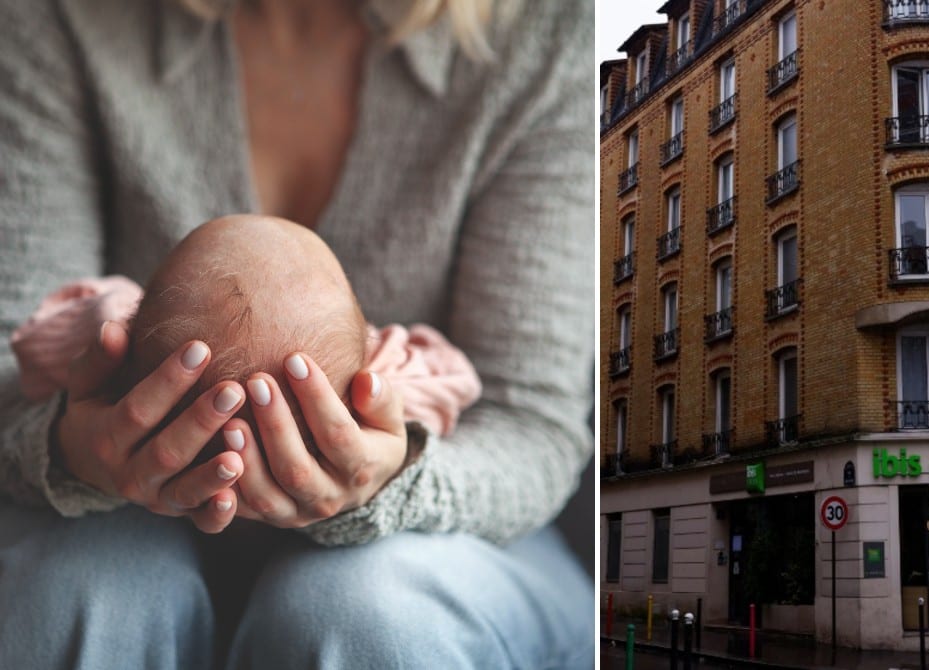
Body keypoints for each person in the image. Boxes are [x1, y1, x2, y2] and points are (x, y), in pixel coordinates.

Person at [0, 0, 595, 668]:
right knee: (81, 592)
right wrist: (68, 449)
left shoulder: (542, 33)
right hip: (115, 515)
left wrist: (394, 478)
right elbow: (15, 352)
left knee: (372, 617)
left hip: (453, 535)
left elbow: (528, 422)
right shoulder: (57, 17)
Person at [11, 215, 483, 454]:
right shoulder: (381, 380)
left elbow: (31, 342)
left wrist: (103, 317)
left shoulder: (109, 345)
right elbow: (457, 380)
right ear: (370, 342)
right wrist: (395, 418)